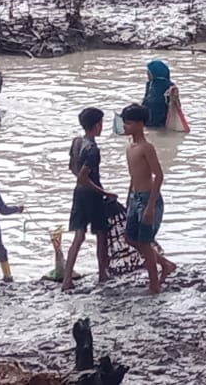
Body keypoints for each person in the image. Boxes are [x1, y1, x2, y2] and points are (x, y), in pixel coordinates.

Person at [120, 104, 176, 294]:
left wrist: (151, 206)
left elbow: (158, 175)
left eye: (128, 123)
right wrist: (129, 197)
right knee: (130, 238)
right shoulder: (130, 146)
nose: (125, 126)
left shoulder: (146, 147)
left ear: (139, 124)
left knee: (145, 242)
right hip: (135, 197)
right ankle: (165, 264)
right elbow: (132, 175)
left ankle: (154, 286)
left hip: (147, 198)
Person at [62, 107, 117, 291]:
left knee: (79, 236)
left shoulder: (77, 142)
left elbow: (72, 168)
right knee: (101, 233)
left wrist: (83, 182)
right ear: (96, 125)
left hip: (78, 193)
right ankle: (102, 274)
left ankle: (67, 279)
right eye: (101, 123)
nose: (102, 127)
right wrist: (104, 192)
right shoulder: (92, 150)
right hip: (91, 194)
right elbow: (84, 177)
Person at [142, 59, 177, 129]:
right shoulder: (152, 85)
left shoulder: (158, 89)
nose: (147, 74)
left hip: (154, 124)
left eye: (149, 72)